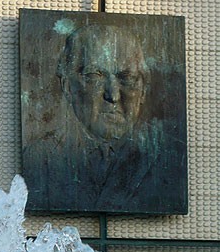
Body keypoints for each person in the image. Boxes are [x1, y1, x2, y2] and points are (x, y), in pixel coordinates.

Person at [23, 23, 187, 214]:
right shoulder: (38, 158)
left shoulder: (169, 159)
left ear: (143, 91)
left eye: (127, 77)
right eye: (95, 76)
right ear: (68, 86)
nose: (113, 95)